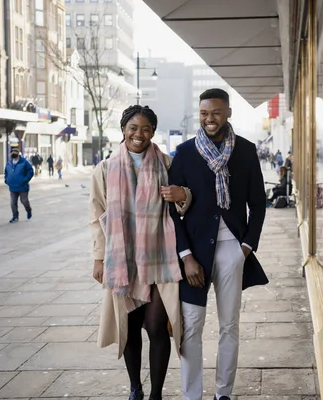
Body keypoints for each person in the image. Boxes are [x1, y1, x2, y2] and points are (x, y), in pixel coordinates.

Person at [169, 88, 268, 400]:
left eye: (215, 113)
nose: (209, 119)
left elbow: (259, 204)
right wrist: (185, 256)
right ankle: (192, 395)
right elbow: (172, 211)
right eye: (203, 113)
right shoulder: (184, 153)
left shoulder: (246, 151)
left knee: (229, 326)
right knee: (191, 328)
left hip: (232, 251)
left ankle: (223, 393)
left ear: (228, 113)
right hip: (195, 254)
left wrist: (246, 248)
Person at [90, 105, 193, 400]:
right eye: (133, 127)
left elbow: (188, 200)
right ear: (124, 129)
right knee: (131, 326)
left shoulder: (167, 163)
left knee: (156, 325)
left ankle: (156, 394)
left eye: (146, 128)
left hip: (160, 256)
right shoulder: (105, 168)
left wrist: (182, 195)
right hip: (123, 259)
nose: (139, 134)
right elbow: (96, 214)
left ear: (153, 132)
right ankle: (135, 388)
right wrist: (98, 258)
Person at [4, 147, 34, 223]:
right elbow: (6, 173)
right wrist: (7, 180)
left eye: (15, 152)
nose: (13, 153)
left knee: (24, 201)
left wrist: (25, 180)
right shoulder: (9, 163)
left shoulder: (24, 162)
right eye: (12, 152)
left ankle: (28, 210)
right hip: (12, 187)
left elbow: (30, 171)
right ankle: (15, 216)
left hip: (22, 186)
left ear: (18, 153)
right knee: (13, 203)